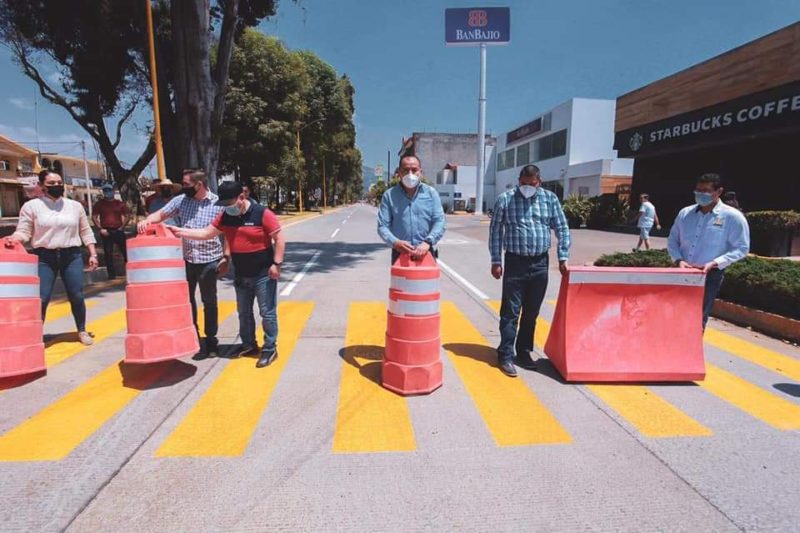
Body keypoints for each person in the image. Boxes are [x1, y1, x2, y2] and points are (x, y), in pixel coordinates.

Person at [170, 181, 285, 368]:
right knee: (243, 313)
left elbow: (279, 238)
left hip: (263, 274)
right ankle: (249, 345)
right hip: (241, 274)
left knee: (267, 313)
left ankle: (270, 348)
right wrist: (180, 232)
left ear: (241, 198)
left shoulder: (262, 213)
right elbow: (207, 233)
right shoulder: (225, 216)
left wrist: (276, 264)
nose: (225, 208)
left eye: (229, 204)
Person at [489, 164, 571, 378]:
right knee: (511, 311)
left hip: (540, 263)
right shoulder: (505, 199)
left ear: (539, 182)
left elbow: (561, 227)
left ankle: (524, 352)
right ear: (519, 181)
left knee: (532, 311)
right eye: (523, 183)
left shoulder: (550, 199)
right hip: (515, 262)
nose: (527, 187)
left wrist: (563, 256)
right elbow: (496, 231)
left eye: (531, 184)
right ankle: (505, 354)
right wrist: (496, 260)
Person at [137, 169, 228, 358]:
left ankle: (211, 340)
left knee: (209, 301)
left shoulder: (217, 204)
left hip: (209, 260)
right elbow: (160, 214)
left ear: (199, 185)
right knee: (187, 301)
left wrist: (226, 257)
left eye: (186, 184)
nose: (184, 188)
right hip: (185, 260)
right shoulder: (181, 201)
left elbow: (227, 233)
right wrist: (146, 221)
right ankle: (192, 337)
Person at [5, 170, 99, 345]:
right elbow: (24, 231)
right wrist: (14, 239)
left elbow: (85, 231)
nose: (57, 186)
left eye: (59, 183)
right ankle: (35, 335)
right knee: (42, 297)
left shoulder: (75, 206)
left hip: (71, 255)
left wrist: (92, 253)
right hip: (44, 257)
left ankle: (82, 329)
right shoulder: (31, 206)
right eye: (51, 184)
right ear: (41, 187)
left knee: (76, 294)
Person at [668, 173, 749, 329]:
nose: (700, 194)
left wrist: (715, 263)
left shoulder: (733, 217)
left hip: (708, 275)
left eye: (705, 191)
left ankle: (691, 352)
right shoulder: (685, 213)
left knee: (697, 319)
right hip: (682, 271)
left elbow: (742, 247)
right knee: (676, 316)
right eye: (698, 190)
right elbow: (673, 240)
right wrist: (679, 260)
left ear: (718, 192)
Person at [377, 155, 446, 263]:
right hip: (400, 254)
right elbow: (382, 226)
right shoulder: (389, 196)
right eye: (406, 170)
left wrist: (427, 242)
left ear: (420, 172)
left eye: (414, 170)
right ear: (399, 172)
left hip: (426, 253)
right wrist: (395, 242)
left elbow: (439, 221)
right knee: (400, 280)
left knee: (427, 280)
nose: (410, 174)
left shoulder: (431, 194)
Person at [92, 183, 129, 280]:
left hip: (118, 230)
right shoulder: (99, 204)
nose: (107, 192)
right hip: (106, 231)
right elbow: (94, 217)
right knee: (108, 253)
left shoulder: (119, 203)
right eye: (105, 191)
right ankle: (111, 274)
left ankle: (130, 271)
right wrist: (100, 228)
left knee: (125, 252)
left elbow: (127, 216)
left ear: (113, 191)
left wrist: (122, 227)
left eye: (109, 190)